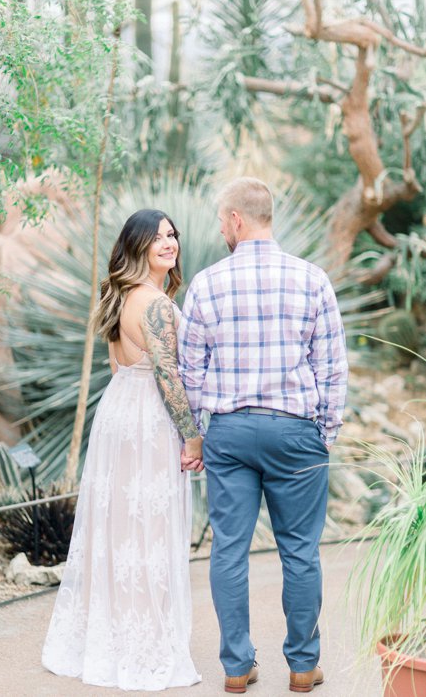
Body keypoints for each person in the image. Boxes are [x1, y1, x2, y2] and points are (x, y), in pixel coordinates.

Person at [178, 177, 347, 694]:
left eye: (220, 220)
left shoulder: (206, 284)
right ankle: (301, 666)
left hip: (229, 433)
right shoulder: (312, 279)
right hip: (296, 431)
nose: (220, 229)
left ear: (235, 220)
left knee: (228, 549)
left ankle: (236, 667)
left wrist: (200, 431)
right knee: (300, 550)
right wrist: (325, 434)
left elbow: (190, 371)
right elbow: (332, 367)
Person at [42, 209, 204, 690]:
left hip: (120, 410)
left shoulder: (118, 295)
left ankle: (114, 636)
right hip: (149, 414)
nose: (169, 242)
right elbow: (167, 373)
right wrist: (191, 434)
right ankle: (144, 643)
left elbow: (120, 366)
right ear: (136, 247)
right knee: (150, 526)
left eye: (172, 234)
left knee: (122, 528)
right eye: (157, 238)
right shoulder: (153, 303)